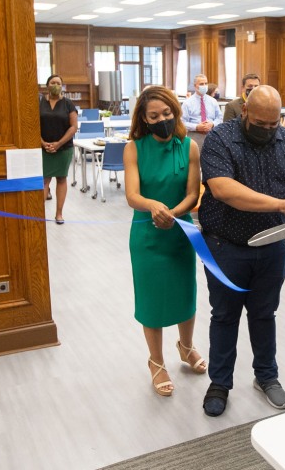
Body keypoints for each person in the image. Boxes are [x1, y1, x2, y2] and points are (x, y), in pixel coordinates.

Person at [198, 85, 285, 417]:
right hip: (226, 245)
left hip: (272, 245)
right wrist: (279, 204)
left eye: (273, 124)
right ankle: (220, 383)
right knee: (224, 316)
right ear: (245, 112)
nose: (267, 130)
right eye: (260, 124)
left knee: (264, 314)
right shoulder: (220, 139)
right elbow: (222, 188)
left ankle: (266, 376)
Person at [123, 86, 206, 397]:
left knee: (186, 294)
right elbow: (132, 195)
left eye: (167, 113)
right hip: (147, 235)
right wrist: (154, 206)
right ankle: (156, 361)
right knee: (151, 300)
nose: (162, 120)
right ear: (144, 119)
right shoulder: (134, 148)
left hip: (180, 232)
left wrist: (174, 212)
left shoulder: (189, 147)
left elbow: (192, 194)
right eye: (154, 116)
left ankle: (186, 347)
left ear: (176, 111)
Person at [39, 74, 78, 225]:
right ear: (47, 85)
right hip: (43, 148)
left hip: (63, 148)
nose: (55, 85)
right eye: (52, 82)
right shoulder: (39, 102)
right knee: (44, 180)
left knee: (61, 179)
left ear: (62, 86)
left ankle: (59, 214)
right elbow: (33, 126)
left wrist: (59, 143)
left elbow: (73, 126)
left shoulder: (68, 103)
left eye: (58, 83)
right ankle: (40, 214)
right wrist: (43, 143)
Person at [182, 74, 222, 146]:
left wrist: (212, 124)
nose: (204, 86)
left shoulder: (213, 101)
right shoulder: (187, 103)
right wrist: (196, 127)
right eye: (201, 84)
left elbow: (220, 118)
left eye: (206, 83)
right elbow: (182, 123)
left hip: (212, 137)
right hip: (195, 137)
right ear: (195, 86)